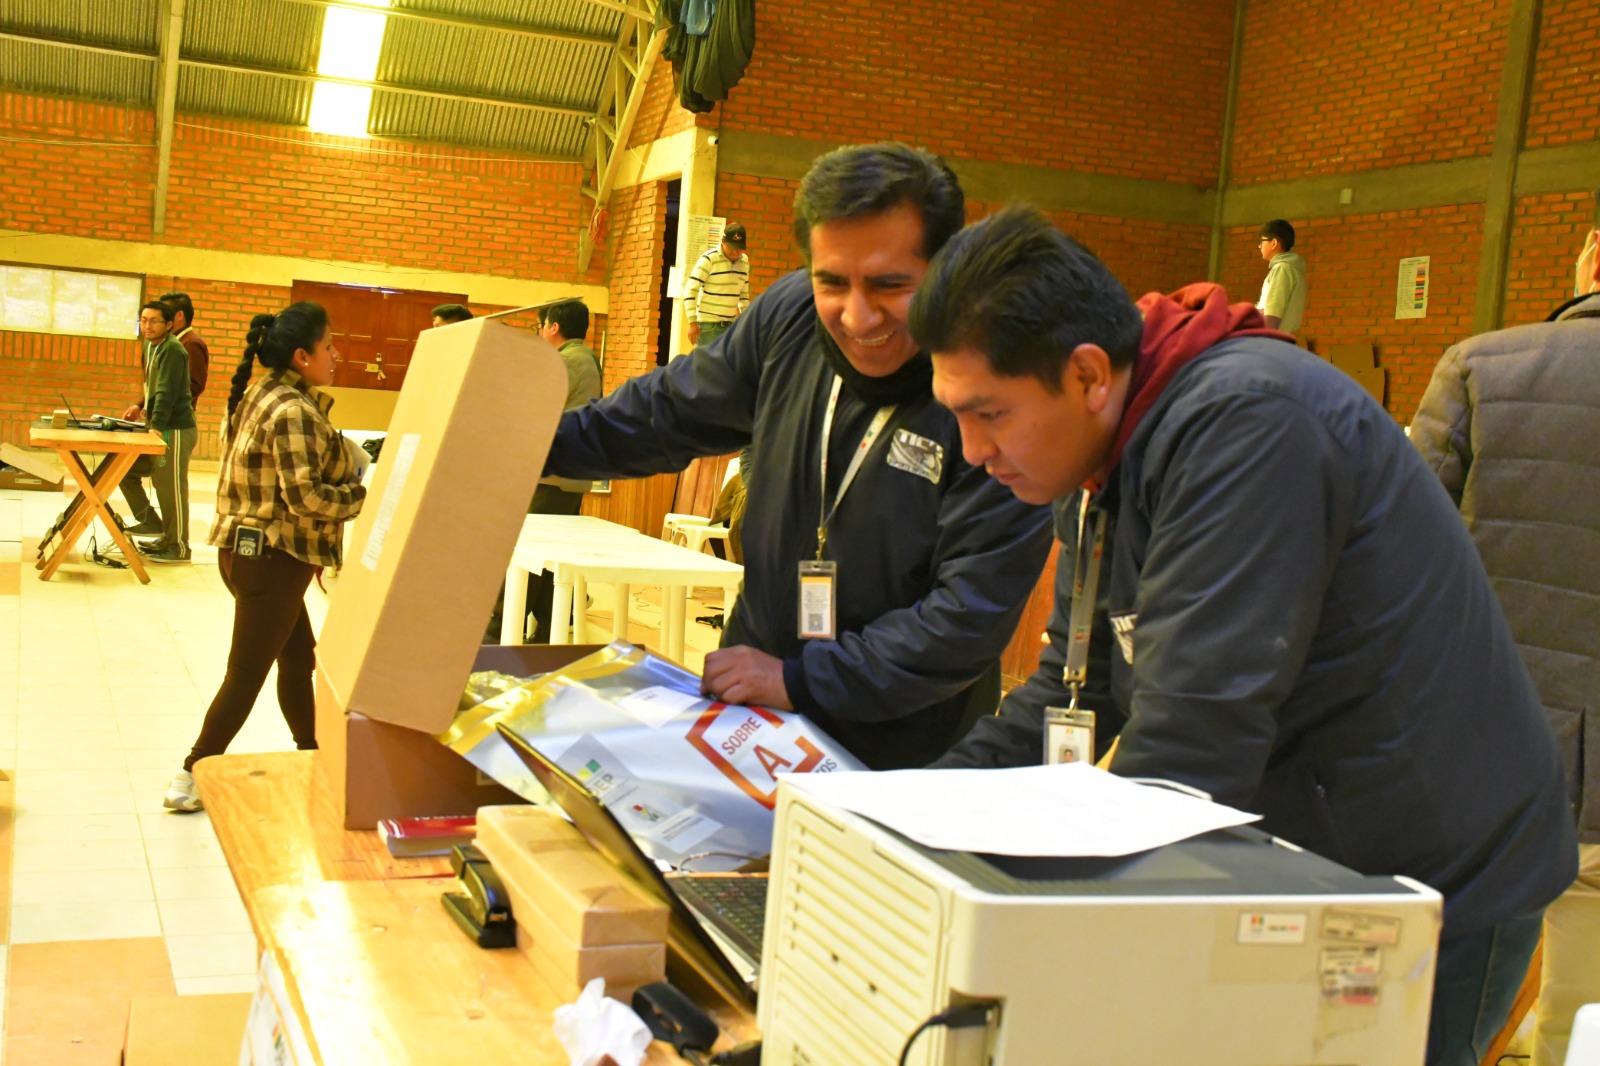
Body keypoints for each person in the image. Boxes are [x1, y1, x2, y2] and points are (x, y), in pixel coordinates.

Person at [911, 206, 1576, 1066]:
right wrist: (903, 811)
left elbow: (1191, 747)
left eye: (990, 414)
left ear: (1086, 375)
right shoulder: (1104, 450)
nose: (972, 451)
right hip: (1312, 849)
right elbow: (1077, 690)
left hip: (1429, 876)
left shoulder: (1247, 423)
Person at [544, 143, 1053, 770]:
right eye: (832, 281)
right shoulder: (788, 318)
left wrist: (800, 680)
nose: (858, 315)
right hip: (751, 708)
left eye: (890, 285)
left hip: (901, 748)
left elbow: (965, 618)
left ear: (947, 268)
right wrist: (537, 444)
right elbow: (667, 411)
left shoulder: (996, 388)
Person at [1410, 227, 1600, 1066]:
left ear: (1590, 250)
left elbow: (1393, 552)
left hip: (1492, 760)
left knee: (1456, 1021)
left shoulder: (1484, 365)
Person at [164, 303, 367, 812]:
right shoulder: (293, 411)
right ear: (302, 356)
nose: (335, 354)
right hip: (273, 560)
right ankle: (191, 772)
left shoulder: (264, 394)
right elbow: (307, 498)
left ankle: (315, 755)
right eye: (328, 346)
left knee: (299, 660)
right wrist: (369, 494)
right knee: (247, 672)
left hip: (250, 556)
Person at [515, 299, 604, 643]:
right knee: (550, 559)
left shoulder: (565, 362)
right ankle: (548, 628)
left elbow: (532, 408)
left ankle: (497, 630)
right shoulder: (585, 357)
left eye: (541, 326)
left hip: (553, 475)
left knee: (533, 557)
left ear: (553, 327)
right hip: (568, 474)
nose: (539, 332)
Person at [119, 300, 197, 563]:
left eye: (154, 321)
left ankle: (179, 547)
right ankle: (152, 523)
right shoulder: (150, 346)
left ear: (169, 324)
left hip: (174, 430)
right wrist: (139, 406)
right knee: (124, 470)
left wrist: (156, 428)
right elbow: (151, 387)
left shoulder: (173, 349)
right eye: (143, 320)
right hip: (156, 427)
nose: (147, 325)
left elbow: (166, 393)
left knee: (171, 489)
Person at [684, 222, 751, 348]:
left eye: (740, 248)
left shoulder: (744, 262)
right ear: (723, 241)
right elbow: (690, 291)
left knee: (725, 367)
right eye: (732, 248)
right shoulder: (709, 259)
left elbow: (744, 296)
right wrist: (693, 323)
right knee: (706, 366)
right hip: (708, 327)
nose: (736, 253)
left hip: (730, 327)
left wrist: (746, 321)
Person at [1256, 218, 1306, 333]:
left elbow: (1272, 314)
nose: (1260, 246)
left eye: (1262, 241)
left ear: (1273, 243)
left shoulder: (1282, 269)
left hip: (1274, 342)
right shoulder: (1292, 268)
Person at [160, 290, 210, 402]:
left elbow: (195, 385)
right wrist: (140, 405)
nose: (161, 318)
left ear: (179, 315)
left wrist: (165, 403)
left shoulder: (191, 343)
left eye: (164, 313)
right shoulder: (172, 341)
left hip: (177, 416)